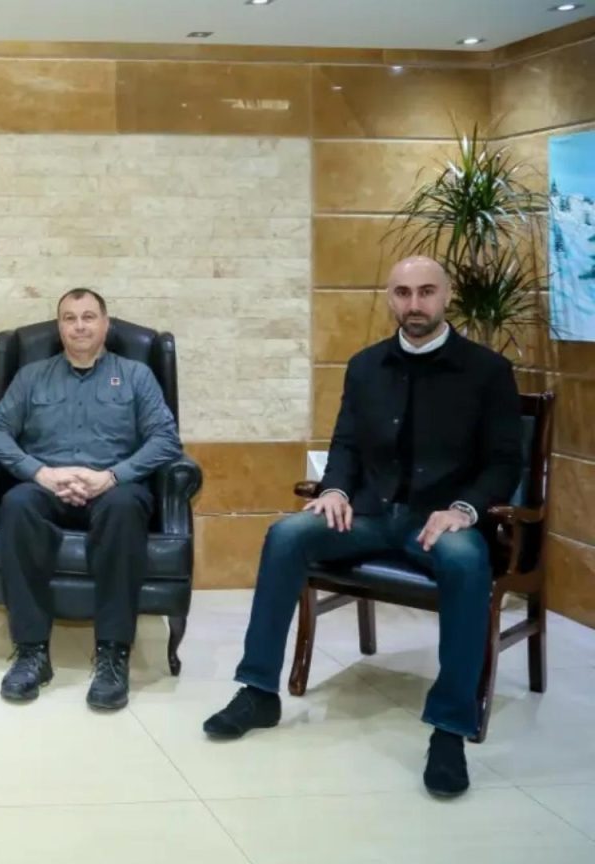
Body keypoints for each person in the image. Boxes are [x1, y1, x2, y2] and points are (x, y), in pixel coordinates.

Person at [202, 256, 523, 799]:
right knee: (286, 535)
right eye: (403, 293)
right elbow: (346, 444)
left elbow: (503, 462)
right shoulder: (365, 365)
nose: (414, 304)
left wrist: (464, 509)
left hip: (439, 522)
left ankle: (449, 729)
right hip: (371, 516)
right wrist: (333, 490)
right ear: (390, 298)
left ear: (447, 297)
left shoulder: (487, 370)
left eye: (426, 292)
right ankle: (258, 691)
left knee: (468, 561)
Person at [0, 288, 183, 710]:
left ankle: (112, 655)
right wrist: (41, 473)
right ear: (59, 328)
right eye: (69, 318)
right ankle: (31, 653)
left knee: (124, 507)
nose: (79, 326)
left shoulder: (135, 376)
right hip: (47, 487)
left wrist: (111, 477)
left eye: (89, 317)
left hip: (113, 489)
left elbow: (166, 440)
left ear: (105, 324)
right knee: (17, 504)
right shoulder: (32, 376)